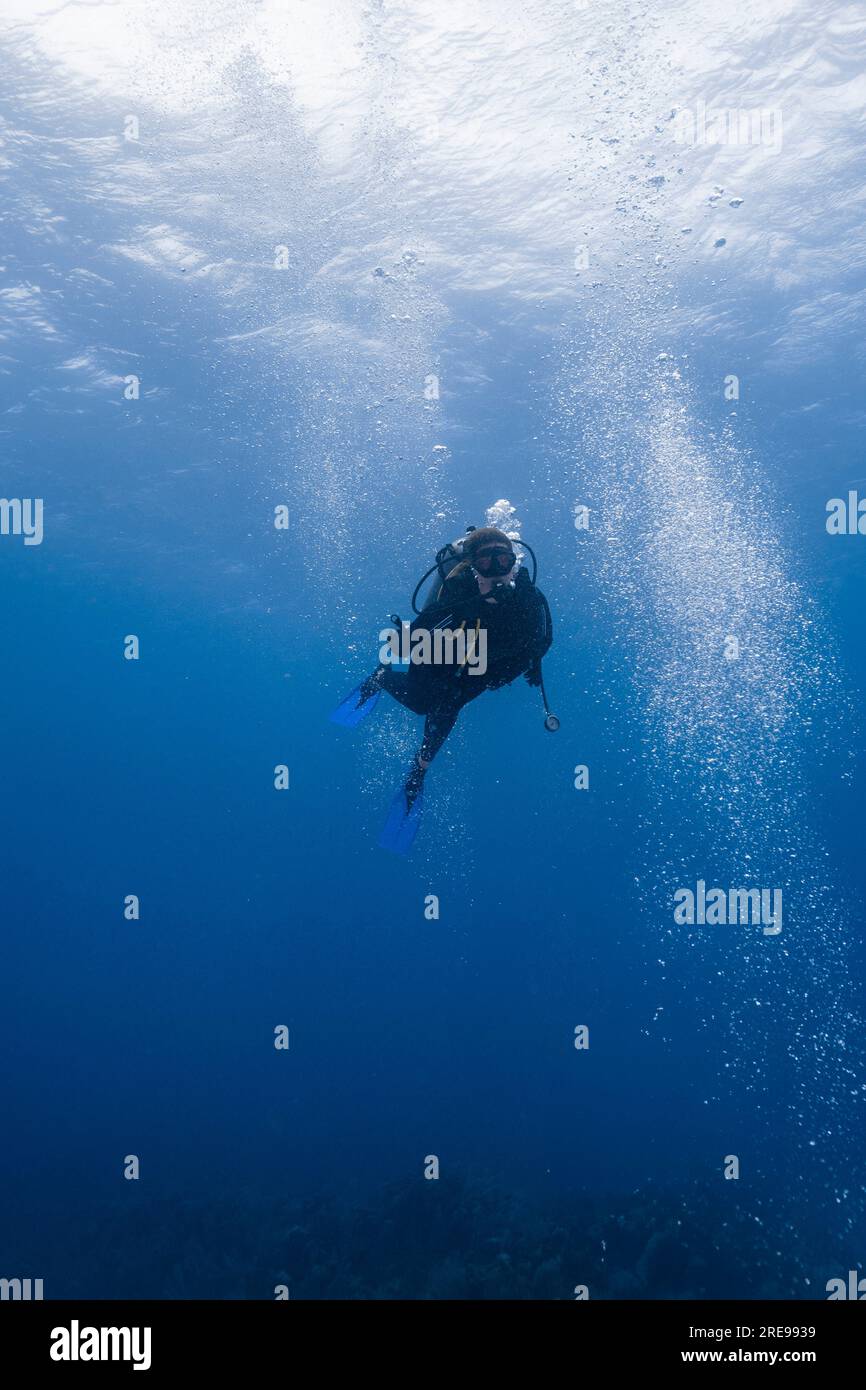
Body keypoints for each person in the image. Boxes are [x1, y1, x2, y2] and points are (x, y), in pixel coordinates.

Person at [331, 526, 554, 852]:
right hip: (440, 655)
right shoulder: (459, 590)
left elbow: (543, 639)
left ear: (514, 561)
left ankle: (419, 771)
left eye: (503, 558)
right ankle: (382, 677)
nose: (497, 569)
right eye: (487, 561)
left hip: (481, 669)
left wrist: (529, 665)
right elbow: (418, 634)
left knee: (451, 703)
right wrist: (468, 607)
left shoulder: (529, 597)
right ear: (474, 565)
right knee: (423, 704)